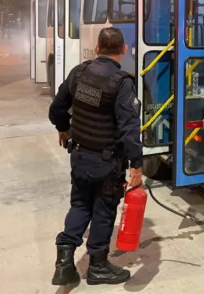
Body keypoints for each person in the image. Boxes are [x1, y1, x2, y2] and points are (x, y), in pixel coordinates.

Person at [48, 27, 144, 286]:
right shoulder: (122, 82)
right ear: (123, 51)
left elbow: (57, 107)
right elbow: (129, 127)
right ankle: (98, 267)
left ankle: (64, 262)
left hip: (79, 156)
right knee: (103, 211)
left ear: (97, 48)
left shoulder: (78, 73)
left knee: (80, 205)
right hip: (106, 163)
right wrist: (137, 163)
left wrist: (63, 128)